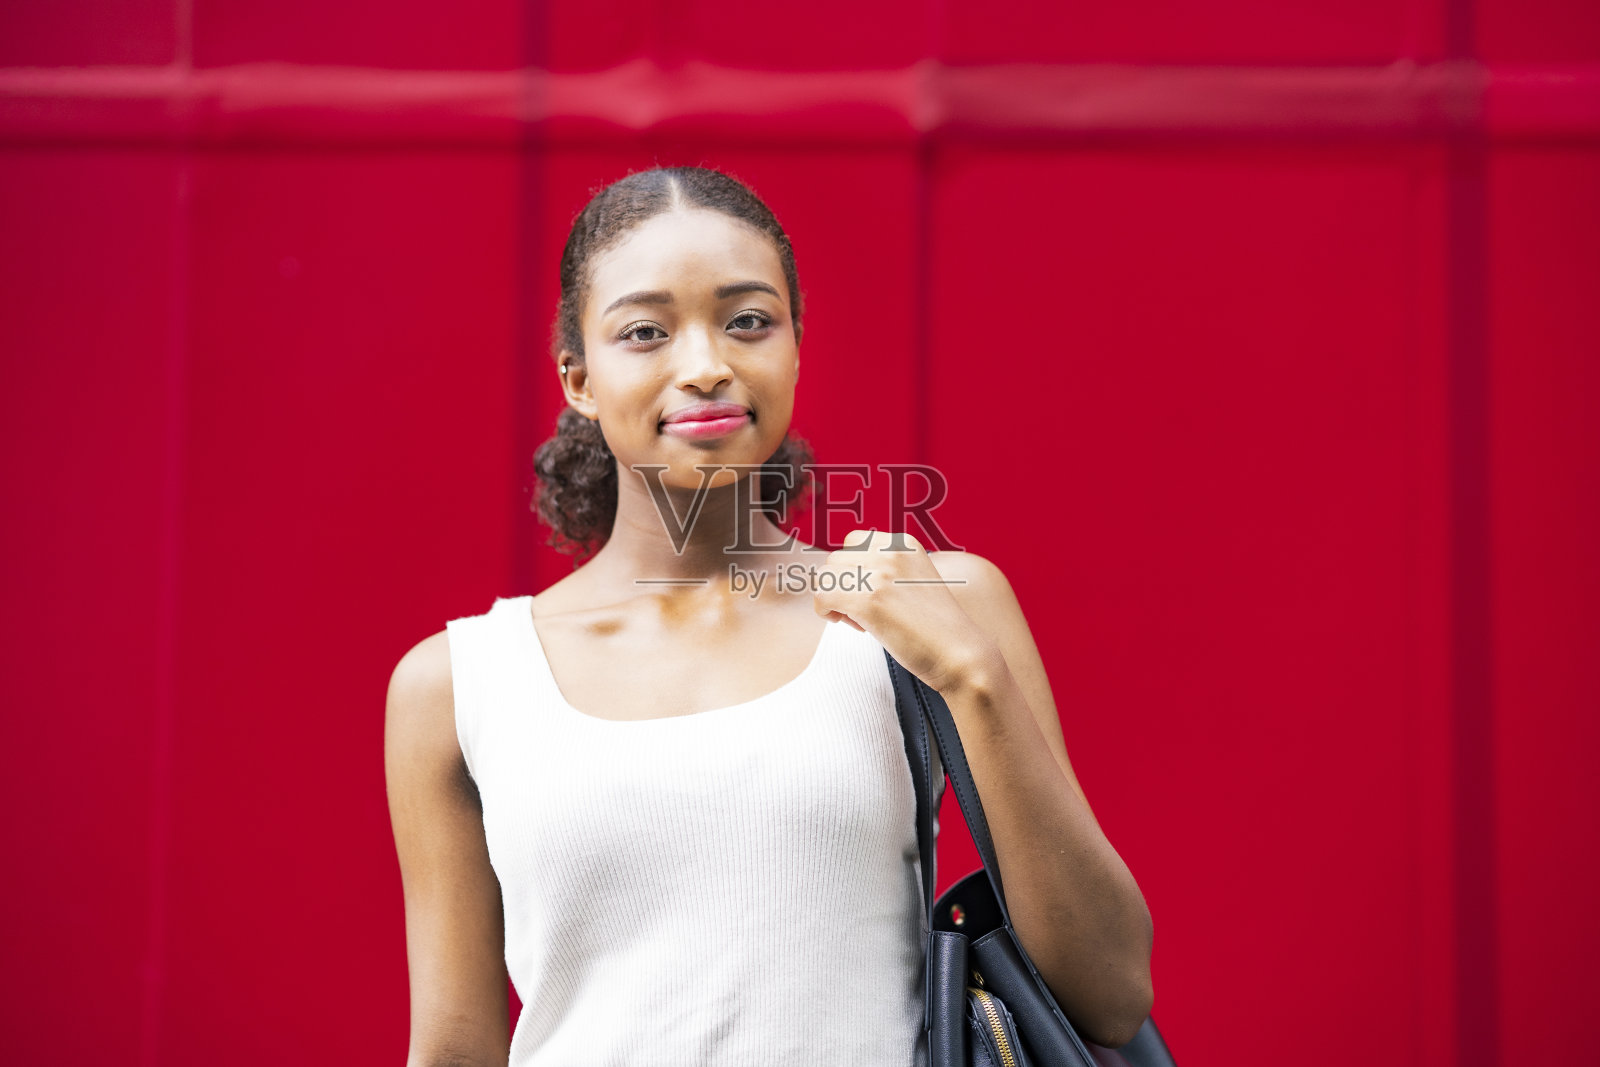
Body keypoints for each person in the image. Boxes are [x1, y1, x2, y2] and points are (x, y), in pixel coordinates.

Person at [384, 166, 1154, 1066]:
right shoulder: (458, 685)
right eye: (645, 331)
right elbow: (453, 1048)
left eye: (749, 320)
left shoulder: (929, 608)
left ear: (794, 346)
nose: (707, 363)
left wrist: (971, 679)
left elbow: (1109, 991)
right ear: (580, 379)